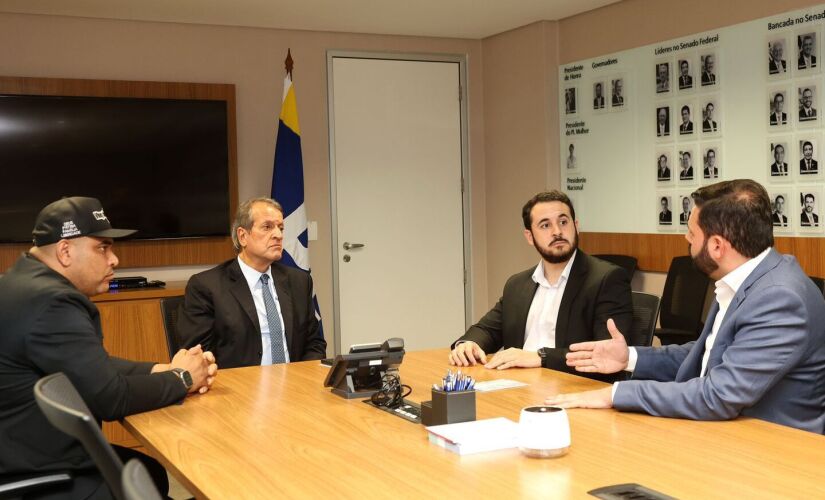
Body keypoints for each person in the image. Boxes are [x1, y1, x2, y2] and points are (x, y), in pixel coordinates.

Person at [546, 179, 825, 434]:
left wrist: (616, 394)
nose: (686, 239)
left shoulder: (779, 299)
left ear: (717, 246)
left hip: (775, 453)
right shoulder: (743, 278)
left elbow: (718, 396)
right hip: (727, 434)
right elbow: (709, 355)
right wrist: (629, 358)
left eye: (692, 233)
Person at [0, 197, 218, 498]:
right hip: (39, 471)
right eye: (103, 247)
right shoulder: (53, 302)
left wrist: (161, 369)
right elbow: (110, 398)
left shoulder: (22, 282)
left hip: (23, 448)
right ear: (65, 251)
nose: (114, 259)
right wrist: (182, 379)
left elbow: (91, 364)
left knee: (150, 470)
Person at [448, 191, 632, 381]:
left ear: (576, 227)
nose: (557, 232)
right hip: (519, 387)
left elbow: (605, 353)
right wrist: (468, 344)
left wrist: (540, 357)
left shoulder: (607, 279)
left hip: (572, 388)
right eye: (545, 225)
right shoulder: (517, 284)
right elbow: (487, 330)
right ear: (529, 236)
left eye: (563, 222)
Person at [179, 197, 326, 368]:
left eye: (281, 228)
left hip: (293, 384)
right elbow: (199, 357)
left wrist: (302, 379)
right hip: (238, 388)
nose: (278, 235)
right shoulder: (206, 287)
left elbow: (314, 343)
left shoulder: (299, 281)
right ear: (243, 236)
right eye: (267, 227)